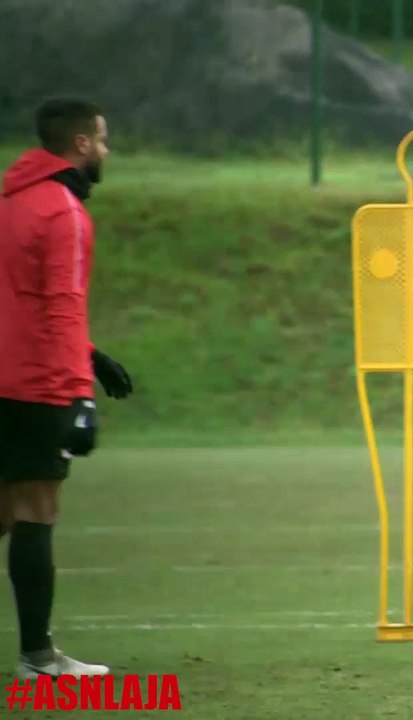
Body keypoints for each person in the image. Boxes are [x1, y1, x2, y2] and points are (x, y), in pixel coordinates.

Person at [0, 98, 134, 677]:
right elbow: (59, 305)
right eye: (102, 140)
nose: (106, 150)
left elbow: (19, 298)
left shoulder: (10, 201)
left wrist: (90, 353)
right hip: (33, 383)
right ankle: (38, 657)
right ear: (80, 145)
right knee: (36, 508)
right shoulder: (64, 212)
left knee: (4, 511)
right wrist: (80, 392)